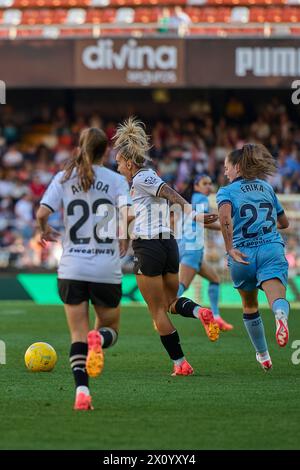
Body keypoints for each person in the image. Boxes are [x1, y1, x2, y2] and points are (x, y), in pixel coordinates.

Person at [114, 117, 219, 377]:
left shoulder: (143, 177)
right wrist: (124, 237)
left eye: (118, 163)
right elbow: (133, 213)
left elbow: (170, 194)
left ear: (129, 162)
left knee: (156, 311)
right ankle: (200, 311)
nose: (118, 168)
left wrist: (193, 214)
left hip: (149, 247)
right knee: (171, 302)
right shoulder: (140, 183)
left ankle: (180, 363)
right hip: (168, 245)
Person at [36, 127, 131, 410]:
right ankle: (98, 338)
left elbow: (42, 213)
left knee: (77, 335)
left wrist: (44, 230)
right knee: (110, 328)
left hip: (72, 267)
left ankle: (81, 393)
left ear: (80, 148)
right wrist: (124, 235)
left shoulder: (63, 178)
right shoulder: (116, 180)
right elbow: (129, 214)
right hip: (106, 266)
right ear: (106, 151)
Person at [217, 143, 290, 371]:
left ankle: (263, 355)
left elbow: (225, 219)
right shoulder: (265, 187)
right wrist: (264, 226)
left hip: (242, 253)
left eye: (227, 167)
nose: (225, 171)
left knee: (249, 305)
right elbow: (284, 223)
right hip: (270, 248)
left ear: (237, 167)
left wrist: (229, 247)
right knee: (276, 296)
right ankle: (280, 316)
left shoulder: (226, 191)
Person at [177, 174, 233, 331]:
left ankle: (216, 317)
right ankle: (162, 311)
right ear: (196, 185)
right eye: (205, 183)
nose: (209, 186)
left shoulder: (189, 199)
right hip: (193, 246)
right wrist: (227, 228)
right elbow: (204, 222)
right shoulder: (201, 199)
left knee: (214, 279)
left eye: (210, 183)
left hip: (184, 245)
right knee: (183, 285)